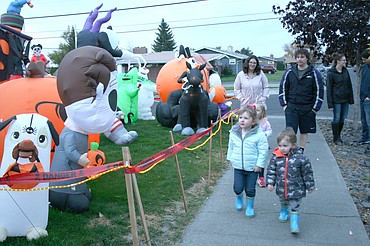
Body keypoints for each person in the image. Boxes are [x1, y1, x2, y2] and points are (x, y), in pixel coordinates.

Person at [266, 127, 315, 234]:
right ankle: (284, 211)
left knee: (295, 205)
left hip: (296, 188)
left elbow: (307, 173)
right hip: (281, 187)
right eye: (280, 145)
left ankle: (294, 223)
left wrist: (310, 186)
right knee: (283, 201)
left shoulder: (301, 158)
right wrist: (270, 182)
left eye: (285, 146)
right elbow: (271, 170)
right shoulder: (276, 157)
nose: (282, 148)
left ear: (293, 145)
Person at [279, 49, 324, 153]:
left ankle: (301, 150)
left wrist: (315, 109)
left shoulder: (314, 73)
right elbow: (283, 88)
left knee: (304, 131)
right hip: (291, 107)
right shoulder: (289, 72)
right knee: (290, 132)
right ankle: (290, 150)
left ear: (307, 58)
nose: (299, 59)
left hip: (307, 108)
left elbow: (319, 91)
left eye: (302, 57)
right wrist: (284, 104)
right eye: (298, 57)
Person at [226, 106, 268, 217]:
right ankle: (239, 198)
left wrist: (259, 165)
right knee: (237, 188)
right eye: (240, 117)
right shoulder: (234, 132)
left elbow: (263, 151)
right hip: (238, 167)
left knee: (250, 189)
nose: (242, 120)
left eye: (245, 118)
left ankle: (249, 206)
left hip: (252, 168)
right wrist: (229, 157)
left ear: (253, 120)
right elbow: (231, 146)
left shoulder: (259, 135)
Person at [326, 53, 354, 144]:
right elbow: (329, 89)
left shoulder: (345, 71)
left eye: (345, 60)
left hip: (345, 98)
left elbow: (349, 85)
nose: (345, 62)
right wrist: (330, 104)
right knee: (336, 118)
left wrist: (351, 98)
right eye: (343, 60)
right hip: (336, 99)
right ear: (338, 61)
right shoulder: (331, 73)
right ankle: (335, 137)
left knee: (342, 119)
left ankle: (339, 136)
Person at [255, 102, 272, 187]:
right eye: (254, 109)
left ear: (262, 112)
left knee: (261, 161)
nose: (255, 111)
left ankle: (261, 177)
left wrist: (265, 134)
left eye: (257, 110)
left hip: (262, 145)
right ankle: (252, 176)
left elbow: (270, 131)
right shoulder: (251, 121)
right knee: (253, 160)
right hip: (253, 145)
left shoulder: (265, 122)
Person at [359, 50, 370, 150]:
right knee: (364, 120)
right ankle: (365, 137)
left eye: (365, 59)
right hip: (363, 97)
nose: (363, 61)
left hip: (368, 98)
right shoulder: (365, 68)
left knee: (369, 120)